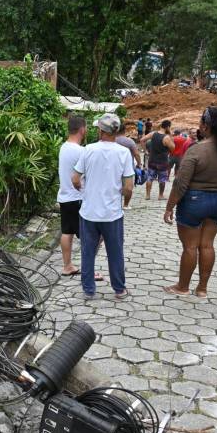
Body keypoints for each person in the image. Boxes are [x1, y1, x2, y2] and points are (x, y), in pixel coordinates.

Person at [163, 107, 217, 298]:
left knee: (190, 247)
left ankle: (182, 287)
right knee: (207, 245)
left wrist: (169, 207)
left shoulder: (197, 149)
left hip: (194, 201)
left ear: (206, 126)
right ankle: (202, 289)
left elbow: (181, 183)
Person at [71, 113, 135, 300]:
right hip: (112, 214)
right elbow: (129, 187)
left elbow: (75, 178)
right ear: (115, 132)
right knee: (115, 252)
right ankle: (119, 289)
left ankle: (89, 290)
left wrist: (84, 190)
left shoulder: (88, 150)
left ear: (101, 130)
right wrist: (118, 195)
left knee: (88, 251)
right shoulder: (123, 153)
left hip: (89, 212)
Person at [56, 114, 86, 276]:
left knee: (67, 232)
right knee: (90, 235)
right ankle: (89, 268)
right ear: (82, 129)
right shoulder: (81, 151)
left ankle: (67, 265)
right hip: (78, 197)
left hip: (65, 196)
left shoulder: (64, 147)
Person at [141, 120, 175, 200]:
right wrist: (170, 134)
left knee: (150, 177)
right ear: (168, 127)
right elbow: (173, 148)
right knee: (162, 179)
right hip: (162, 162)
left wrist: (145, 151)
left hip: (152, 160)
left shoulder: (153, 133)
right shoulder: (166, 138)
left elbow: (142, 140)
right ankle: (160, 195)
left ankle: (147, 195)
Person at [116, 122, 142, 209]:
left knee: (115, 187)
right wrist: (139, 164)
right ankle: (126, 205)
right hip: (128, 168)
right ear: (124, 130)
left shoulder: (113, 140)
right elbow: (136, 154)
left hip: (115, 168)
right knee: (129, 187)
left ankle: (116, 203)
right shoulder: (129, 141)